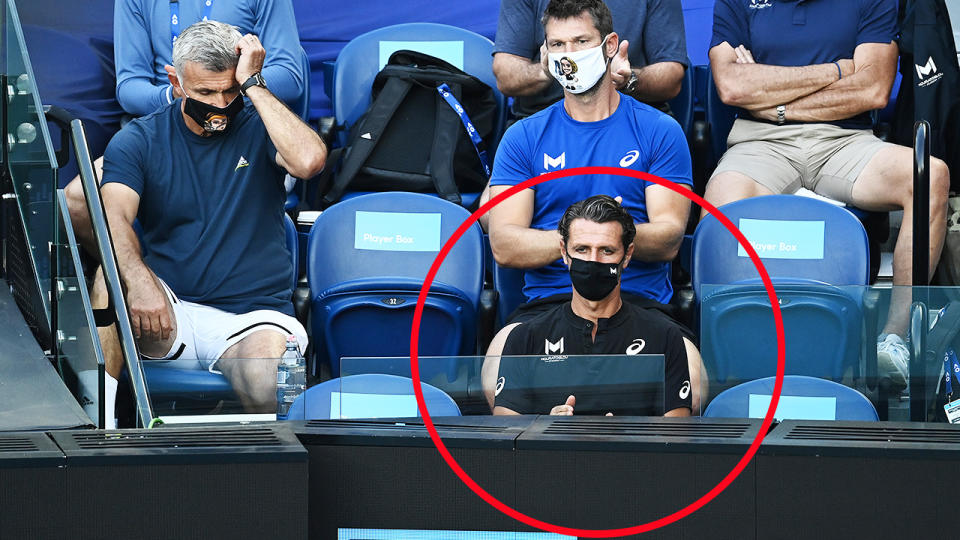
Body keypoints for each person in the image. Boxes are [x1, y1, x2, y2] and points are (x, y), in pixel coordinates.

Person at [86, 20, 326, 426]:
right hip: (170, 311)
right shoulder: (139, 139)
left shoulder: (260, 123)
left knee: (276, 374)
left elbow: (309, 162)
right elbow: (113, 218)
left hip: (254, 317)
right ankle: (100, 432)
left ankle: (279, 477)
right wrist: (140, 281)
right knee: (108, 279)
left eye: (228, 90)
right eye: (205, 92)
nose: (219, 104)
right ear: (175, 82)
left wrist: (255, 85)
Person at [705, 0, 950, 389]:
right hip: (760, 140)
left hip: (844, 139)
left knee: (930, 175)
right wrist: (838, 70)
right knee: (717, 216)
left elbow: (872, 90)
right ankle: (734, 360)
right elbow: (732, 86)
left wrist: (774, 98)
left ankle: (894, 339)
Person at [485, 0, 705, 410]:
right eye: (557, 45)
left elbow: (670, 235)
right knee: (494, 372)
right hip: (547, 304)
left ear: (610, 46)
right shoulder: (523, 137)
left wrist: (591, 246)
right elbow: (504, 243)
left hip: (640, 301)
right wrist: (585, 245)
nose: (568, 56)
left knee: (695, 382)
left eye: (580, 42)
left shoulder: (658, 130)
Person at [65, 0, 307, 250]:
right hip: (167, 128)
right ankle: (143, 275)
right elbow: (129, 87)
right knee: (77, 199)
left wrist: (229, 87)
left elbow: (290, 77)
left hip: (243, 130)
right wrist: (182, 95)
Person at [489, 196, 692, 417]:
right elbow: (507, 432)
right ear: (564, 252)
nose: (593, 261)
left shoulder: (664, 337)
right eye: (582, 249)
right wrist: (546, 427)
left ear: (627, 255)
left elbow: (675, 431)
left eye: (607, 251)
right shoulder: (525, 338)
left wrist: (627, 433)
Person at [493, 0, 687, 119]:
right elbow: (505, 75)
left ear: (611, 43)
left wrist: (627, 78)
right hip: (541, 119)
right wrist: (546, 70)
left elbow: (672, 76)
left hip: (631, 116)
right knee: (498, 187)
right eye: (559, 44)